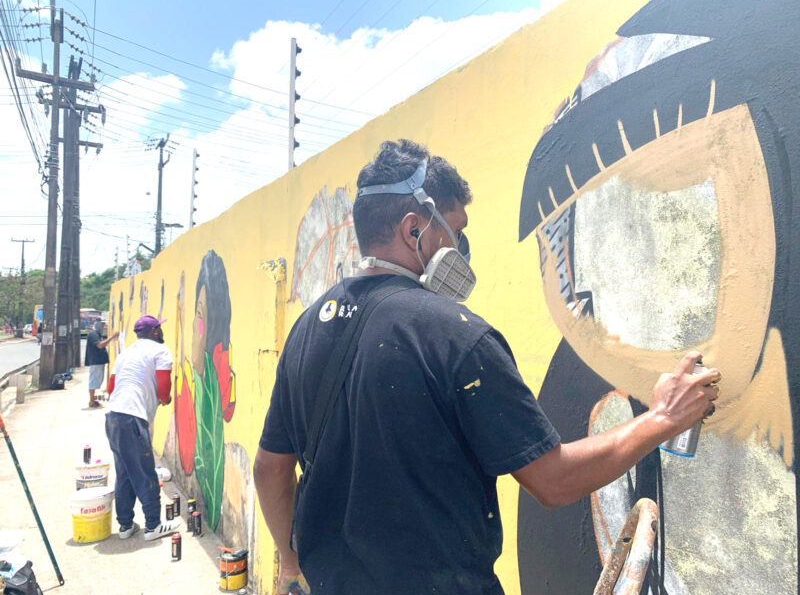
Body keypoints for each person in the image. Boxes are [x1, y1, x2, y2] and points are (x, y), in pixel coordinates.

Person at [253, 140, 721, 594]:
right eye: (455, 230)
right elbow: (554, 481)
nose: (461, 246)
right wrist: (662, 418)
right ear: (415, 229)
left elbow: (270, 470)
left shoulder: (307, 330)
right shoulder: (457, 334)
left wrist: (290, 564)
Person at [105, 314, 180, 540]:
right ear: (155, 331)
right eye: (160, 329)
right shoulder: (160, 351)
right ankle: (153, 526)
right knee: (145, 472)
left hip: (113, 416)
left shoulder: (125, 353)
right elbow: (164, 389)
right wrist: (164, 399)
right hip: (133, 420)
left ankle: (126, 526)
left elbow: (111, 387)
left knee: (125, 473)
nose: (162, 332)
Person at [84, 320, 118, 408]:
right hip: (96, 361)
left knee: (97, 381)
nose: (103, 327)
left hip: (98, 362)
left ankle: (93, 399)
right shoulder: (93, 334)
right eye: (102, 325)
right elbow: (100, 345)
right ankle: (91, 401)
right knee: (93, 381)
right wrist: (112, 337)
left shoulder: (97, 334)